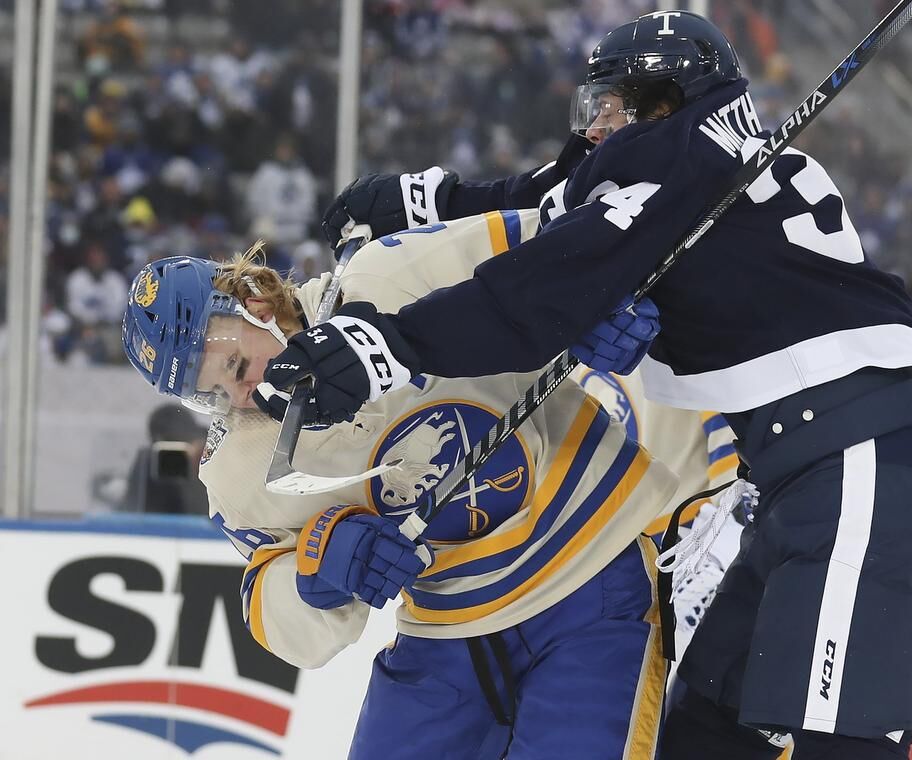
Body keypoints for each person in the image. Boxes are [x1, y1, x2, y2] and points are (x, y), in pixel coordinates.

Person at [272, 11, 912, 759]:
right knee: (706, 731)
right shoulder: (708, 164)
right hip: (802, 486)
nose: (595, 126)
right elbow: (564, 208)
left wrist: (386, 344)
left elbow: (537, 291)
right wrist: (436, 204)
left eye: (610, 106)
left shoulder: (680, 165)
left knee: (843, 745)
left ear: (662, 101)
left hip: (858, 475)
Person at [119, 208, 736, 759]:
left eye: (234, 366)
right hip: (446, 630)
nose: (240, 395)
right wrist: (317, 569)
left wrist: (590, 298)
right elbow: (270, 604)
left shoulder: (389, 274)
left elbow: (566, 230)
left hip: (594, 581)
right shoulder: (237, 468)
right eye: (211, 393)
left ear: (255, 300)